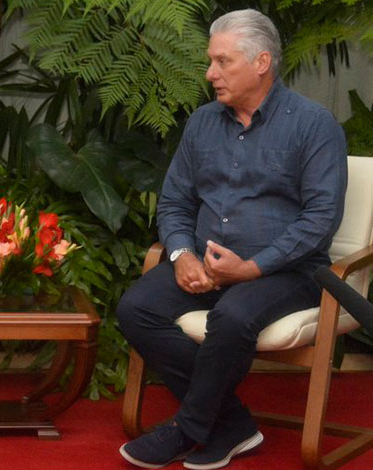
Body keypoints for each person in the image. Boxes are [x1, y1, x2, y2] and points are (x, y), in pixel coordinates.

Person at [116, 9, 347, 470]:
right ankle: (231, 424)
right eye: (211, 61)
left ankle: (188, 427)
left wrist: (252, 268)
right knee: (134, 310)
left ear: (261, 62)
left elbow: (322, 218)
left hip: (286, 271)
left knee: (233, 314)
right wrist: (181, 254)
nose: (210, 73)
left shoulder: (312, 125)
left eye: (223, 62)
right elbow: (175, 201)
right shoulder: (202, 123)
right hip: (205, 263)